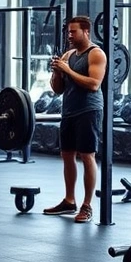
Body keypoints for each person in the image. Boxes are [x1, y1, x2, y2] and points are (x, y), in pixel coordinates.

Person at [43, 15, 107, 223]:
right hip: (69, 110)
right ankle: (69, 200)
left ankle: (87, 206)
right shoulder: (68, 54)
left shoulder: (96, 53)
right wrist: (56, 74)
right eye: (68, 32)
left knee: (87, 156)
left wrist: (67, 70)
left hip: (88, 111)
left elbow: (94, 84)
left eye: (73, 31)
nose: (69, 35)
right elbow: (58, 90)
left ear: (86, 32)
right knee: (67, 155)